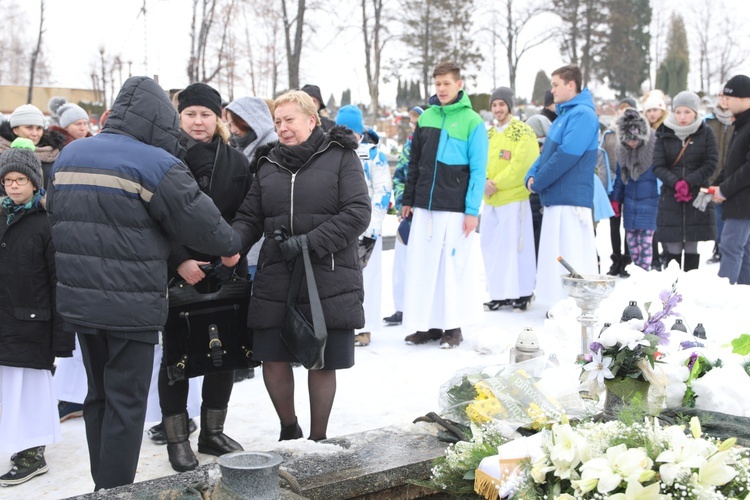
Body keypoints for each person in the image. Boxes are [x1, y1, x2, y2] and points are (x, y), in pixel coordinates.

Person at [46, 76, 242, 490]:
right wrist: (230, 246)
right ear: (158, 119)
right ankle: (116, 491)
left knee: (97, 396)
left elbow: (58, 218)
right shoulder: (155, 164)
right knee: (127, 403)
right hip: (131, 306)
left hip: (82, 303)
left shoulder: (69, 155)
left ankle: (103, 485)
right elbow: (204, 224)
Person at [231, 90, 370, 442]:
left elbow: (357, 213)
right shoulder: (267, 163)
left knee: (321, 357)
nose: (282, 128)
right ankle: (289, 428)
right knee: (271, 355)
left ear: (312, 120)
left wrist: (310, 243)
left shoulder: (341, 156)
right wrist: (230, 245)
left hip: (328, 271)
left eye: (289, 120)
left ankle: (318, 437)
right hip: (277, 269)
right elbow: (249, 216)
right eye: (277, 122)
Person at [155, 83, 251, 472]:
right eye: (190, 113)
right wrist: (179, 259)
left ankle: (213, 431)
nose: (198, 121)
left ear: (219, 118)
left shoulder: (236, 162)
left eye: (205, 114)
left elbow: (247, 213)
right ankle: (177, 439)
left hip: (226, 265)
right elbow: (153, 216)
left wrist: (233, 250)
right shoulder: (163, 158)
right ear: (179, 117)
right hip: (177, 270)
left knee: (224, 354)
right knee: (176, 357)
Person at [0, 139, 74, 487]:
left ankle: (33, 451)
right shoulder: (1, 217)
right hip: (5, 319)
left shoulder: (46, 223)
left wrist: (62, 336)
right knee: (8, 387)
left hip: (33, 323)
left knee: (29, 388)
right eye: (7, 181)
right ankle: (17, 444)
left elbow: (59, 279)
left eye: (19, 180)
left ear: (34, 182)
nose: (13, 186)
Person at [401, 61, 488, 348]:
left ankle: (453, 327)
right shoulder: (426, 118)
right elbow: (414, 163)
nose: (441, 89)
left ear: (459, 84)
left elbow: (478, 170)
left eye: (446, 84)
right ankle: (428, 325)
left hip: (455, 209)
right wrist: (408, 199)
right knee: (424, 267)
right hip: (425, 207)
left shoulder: (472, 121)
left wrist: (472, 211)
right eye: (437, 84)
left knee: (451, 269)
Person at [524, 64, 599, 307]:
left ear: (571, 85)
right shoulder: (565, 115)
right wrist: (531, 175)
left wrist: (540, 181)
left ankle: (573, 305)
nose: (552, 90)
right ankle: (556, 303)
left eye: (556, 84)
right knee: (554, 255)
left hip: (571, 199)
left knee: (571, 253)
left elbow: (567, 155)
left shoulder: (583, 115)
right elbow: (547, 153)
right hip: (557, 197)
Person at [335, 104, 392, 346]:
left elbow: (383, 191)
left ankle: (364, 327)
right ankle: (340, 322)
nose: (347, 134)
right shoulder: (331, 152)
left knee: (366, 278)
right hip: (338, 228)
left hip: (366, 229)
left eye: (351, 129)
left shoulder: (374, 155)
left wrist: (372, 226)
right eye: (342, 128)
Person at [481, 87, 539, 311]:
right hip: (491, 200)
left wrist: (496, 183)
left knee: (517, 248)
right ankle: (499, 293)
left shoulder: (522, 131)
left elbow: (522, 164)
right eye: (494, 105)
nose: (497, 109)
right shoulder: (489, 134)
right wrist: (483, 180)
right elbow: (478, 159)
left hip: (513, 198)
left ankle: (523, 293)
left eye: (501, 104)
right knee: (492, 247)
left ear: (509, 106)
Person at [652, 90, 717, 271]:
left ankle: (690, 287)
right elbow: (658, 165)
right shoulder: (664, 132)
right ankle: (673, 287)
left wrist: (689, 182)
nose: (682, 116)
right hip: (671, 197)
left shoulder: (706, 132)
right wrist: (676, 183)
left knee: (691, 243)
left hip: (695, 196)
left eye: (687, 112)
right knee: (673, 244)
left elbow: (711, 162)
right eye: (678, 112)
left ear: (695, 112)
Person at [383, 106, 423, 326]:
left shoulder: (429, 145)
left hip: (426, 211)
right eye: (412, 122)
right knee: (401, 261)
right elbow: (399, 176)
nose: (413, 126)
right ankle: (401, 307)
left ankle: (420, 307)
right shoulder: (408, 146)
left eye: (417, 122)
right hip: (408, 214)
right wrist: (402, 204)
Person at [712, 75, 750, 284]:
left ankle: (724, 299)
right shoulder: (741, 124)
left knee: (731, 245)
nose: (724, 101)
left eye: (729, 96)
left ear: (745, 99)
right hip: (739, 198)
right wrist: (717, 184)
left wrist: (724, 189)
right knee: (742, 248)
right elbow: (733, 163)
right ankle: (743, 298)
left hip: (743, 200)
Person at [610, 109, 659, 270]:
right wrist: (616, 200)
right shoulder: (621, 151)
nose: (632, 143)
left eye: (635, 140)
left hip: (650, 204)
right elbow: (619, 178)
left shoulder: (654, 146)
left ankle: (644, 276)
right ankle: (637, 275)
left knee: (645, 245)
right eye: (628, 140)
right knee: (632, 245)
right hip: (630, 205)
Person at [601, 98, 637, 277]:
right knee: (614, 223)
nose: (625, 112)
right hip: (613, 184)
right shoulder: (609, 134)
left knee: (628, 223)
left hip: (631, 182)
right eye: (622, 109)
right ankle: (615, 258)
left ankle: (627, 259)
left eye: (629, 109)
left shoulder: (637, 133)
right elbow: (602, 158)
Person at [0, 104, 65, 188]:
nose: (35, 133)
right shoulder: (2, 154)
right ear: (15, 130)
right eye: (29, 128)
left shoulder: (54, 153)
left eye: (39, 128)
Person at [704, 92, 735, 264]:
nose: (724, 99)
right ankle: (718, 246)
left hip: (734, 175)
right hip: (714, 175)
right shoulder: (709, 120)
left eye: (727, 96)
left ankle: (729, 248)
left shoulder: (738, 120)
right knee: (717, 215)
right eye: (721, 96)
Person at [642, 89, 669, 271]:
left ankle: (666, 253)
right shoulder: (643, 130)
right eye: (649, 110)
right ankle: (654, 257)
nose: (652, 114)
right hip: (648, 180)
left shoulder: (667, 129)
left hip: (663, 179)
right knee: (651, 222)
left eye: (655, 110)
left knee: (663, 221)